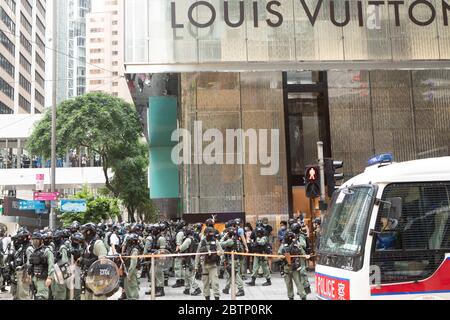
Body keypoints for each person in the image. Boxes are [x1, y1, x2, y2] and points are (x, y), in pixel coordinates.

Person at [79, 223, 108, 300]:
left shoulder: (98, 243)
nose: (82, 234)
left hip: (97, 277)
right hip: (88, 276)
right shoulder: (87, 244)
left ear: (88, 232)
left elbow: (103, 262)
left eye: (84, 232)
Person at [195, 227, 223, 300]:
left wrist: (218, 253)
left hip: (213, 266)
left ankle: (216, 298)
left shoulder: (216, 241)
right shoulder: (201, 243)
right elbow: (197, 254)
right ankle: (207, 298)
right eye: (209, 234)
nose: (211, 235)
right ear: (206, 234)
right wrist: (196, 266)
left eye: (212, 234)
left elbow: (221, 251)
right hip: (204, 265)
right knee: (205, 283)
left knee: (215, 283)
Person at [278, 231, 308, 300]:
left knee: (299, 283)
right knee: (288, 284)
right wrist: (281, 256)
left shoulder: (296, 244)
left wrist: (305, 255)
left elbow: (301, 251)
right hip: (286, 267)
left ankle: (303, 296)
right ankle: (290, 297)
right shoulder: (283, 245)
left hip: (295, 267)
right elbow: (279, 253)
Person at [28, 231, 55, 300]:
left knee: (42, 297)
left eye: (36, 240)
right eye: (33, 240)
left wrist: (50, 277)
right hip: (35, 278)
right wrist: (30, 275)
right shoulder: (34, 251)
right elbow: (31, 265)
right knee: (36, 296)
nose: (35, 242)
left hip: (43, 279)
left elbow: (51, 265)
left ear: (41, 241)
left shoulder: (47, 251)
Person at [220, 227, 245, 297]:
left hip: (232, 260)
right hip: (234, 260)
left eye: (227, 233)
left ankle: (241, 289)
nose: (226, 234)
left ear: (228, 234)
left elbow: (220, 244)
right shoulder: (236, 240)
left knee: (235, 274)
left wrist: (223, 237)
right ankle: (227, 288)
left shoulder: (230, 241)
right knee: (230, 274)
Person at [179, 227, 201, 296]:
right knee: (187, 274)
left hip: (189, 259)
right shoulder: (194, 239)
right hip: (192, 259)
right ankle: (187, 288)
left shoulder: (188, 240)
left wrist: (178, 247)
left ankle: (197, 288)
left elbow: (182, 248)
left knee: (190, 275)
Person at [123, 233, 142, 300]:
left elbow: (133, 263)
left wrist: (129, 274)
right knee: (127, 286)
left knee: (132, 286)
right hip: (128, 269)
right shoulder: (131, 248)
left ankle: (134, 298)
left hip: (132, 270)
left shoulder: (134, 250)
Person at [51, 230, 69, 300]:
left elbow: (65, 261)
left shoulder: (62, 247)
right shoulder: (55, 247)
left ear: (61, 238)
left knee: (60, 293)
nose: (55, 239)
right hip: (55, 271)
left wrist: (58, 261)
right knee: (54, 291)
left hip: (61, 273)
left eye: (56, 238)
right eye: (54, 238)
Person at [172, 220, 186, 288]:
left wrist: (176, 252)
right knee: (182, 267)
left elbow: (178, 244)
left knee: (177, 266)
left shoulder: (179, 233)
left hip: (179, 252)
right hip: (183, 252)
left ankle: (178, 282)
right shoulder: (184, 232)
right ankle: (182, 281)